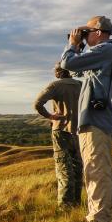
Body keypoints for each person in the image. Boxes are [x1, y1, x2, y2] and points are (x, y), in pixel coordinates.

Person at [60, 16, 112, 222]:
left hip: (95, 120)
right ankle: (100, 220)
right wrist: (80, 46)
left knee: (96, 172)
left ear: (97, 32)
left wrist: (73, 45)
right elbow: (75, 71)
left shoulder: (105, 49)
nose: (83, 37)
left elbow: (67, 63)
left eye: (86, 34)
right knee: (98, 171)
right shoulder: (103, 54)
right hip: (94, 120)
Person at [33, 62, 83, 209]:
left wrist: (50, 116)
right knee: (77, 168)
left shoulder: (55, 85)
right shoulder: (79, 85)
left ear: (58, 72)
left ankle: (65, 207)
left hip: (60, 130)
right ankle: (76, 204)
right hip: (78, 131)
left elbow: (37, 103)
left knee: (63, 169)